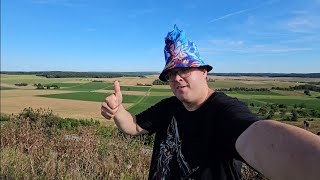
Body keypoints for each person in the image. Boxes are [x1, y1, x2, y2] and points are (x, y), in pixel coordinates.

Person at [101, 25, 320, 180]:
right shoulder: (169, 107)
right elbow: (135, 126)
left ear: (204, 72)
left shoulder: (225, 111)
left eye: (185, 69)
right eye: (171, 73)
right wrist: (118, 110)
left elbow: (261, 137)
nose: (177, 78)